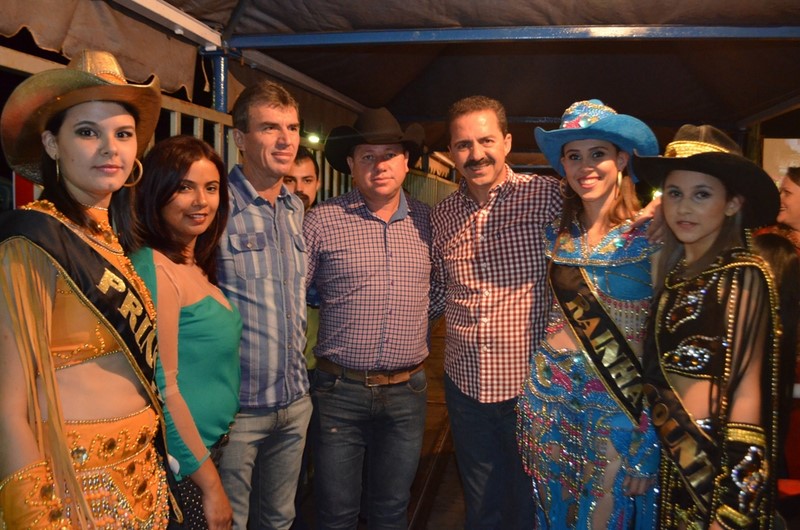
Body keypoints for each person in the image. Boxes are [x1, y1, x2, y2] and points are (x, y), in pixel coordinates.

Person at [0, 49, 172, 527]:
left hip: (144, 477)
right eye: (87, 132)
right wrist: (38, 516)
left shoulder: (112, 240)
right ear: (52, 145)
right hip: (74, 486)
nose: (109, 148)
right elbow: (6, 407)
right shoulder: (33, 238)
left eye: (123, 134)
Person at [516, 99, 661, 529]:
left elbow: (662, 344)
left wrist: (652, 434)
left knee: (601, 517)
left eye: (597, 153)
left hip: (617, 402)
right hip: (547, 396)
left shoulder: (651, 235)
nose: (586, 166)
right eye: (573, 156)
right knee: (553, 515)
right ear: (563, 166)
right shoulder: (557, 236)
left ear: (622, 159)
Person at [633, 124, 785, 529]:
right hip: (668, 460)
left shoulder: (743, 274)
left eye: (701, 195)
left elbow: (748, 393)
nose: (684, 208)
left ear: (732, 203)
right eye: (674, 194)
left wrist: (735, 506)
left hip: (715, 464)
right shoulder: (672, 273)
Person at [429, 95, 562, 528]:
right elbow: (438, 289)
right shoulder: (443, 215)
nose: (476, 154)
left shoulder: (547, 197)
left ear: (506, 142)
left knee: (530, 504)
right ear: (451, 152)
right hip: (465, 388)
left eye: (486, 140)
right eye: (463, 144)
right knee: (481, 505)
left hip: (531, 388)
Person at [304, 107, 430, 529]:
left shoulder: (428, 222)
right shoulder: (322, 221)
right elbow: (296, 293)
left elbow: (439, 292)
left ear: (406, 162)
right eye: (368, 156)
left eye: (390, 154)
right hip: (339, 392)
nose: (380, 165)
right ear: (351, 164)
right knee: (335, 513)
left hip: (407, 392)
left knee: (391, 510)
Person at [130, 135, 243, 530]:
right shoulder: (155, 268)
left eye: (211, 188)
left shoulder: (192, 264)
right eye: (184, 187)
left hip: (206, 453)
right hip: (183, 467)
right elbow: (163, 387)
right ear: (156, 192)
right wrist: (210, 485)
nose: (201, 201)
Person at [215, 81, 312, 530]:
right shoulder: (215, 206)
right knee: (227, 523)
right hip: (238, 412)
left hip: (294, 403)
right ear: (240, 137)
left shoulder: (294, 208)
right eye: (270, 127)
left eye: (291, 127)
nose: (285, 139)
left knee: (280, 520)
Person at [284, 145, 321, 211]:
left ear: (317, 184)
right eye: (290, 181)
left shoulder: (327, 216)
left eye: (307, 181)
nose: (299, 188)